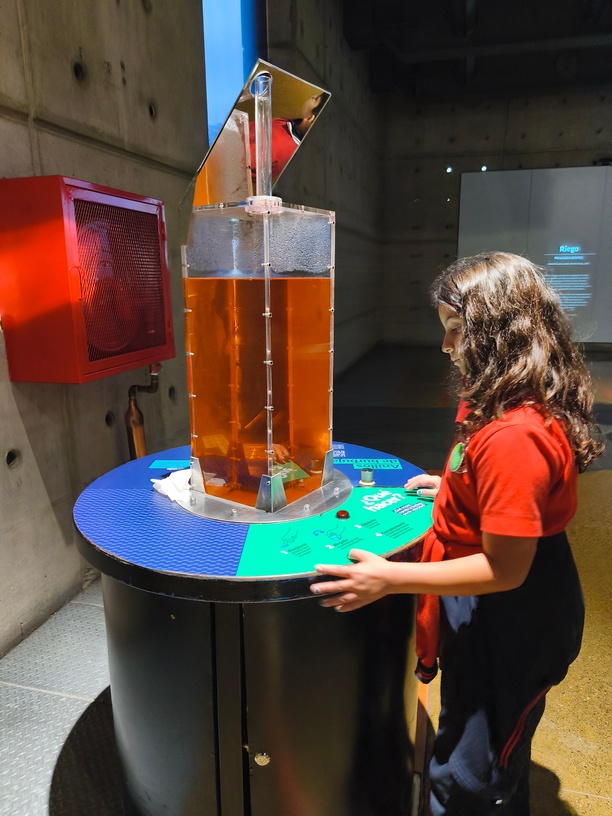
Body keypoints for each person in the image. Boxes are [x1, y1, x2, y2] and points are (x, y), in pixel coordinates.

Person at [310, 252, 604, 815]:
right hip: (497, 611)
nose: (445, 346)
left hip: (515, 621)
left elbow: (505, 569)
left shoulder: (515, 436)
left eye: (455, 329)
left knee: (474, 776)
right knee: (474, 738)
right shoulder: (503, 406)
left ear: (499, 332)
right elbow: (497, 486)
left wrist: (389, 578)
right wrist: (453, 488)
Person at [249, 93, 327, 182]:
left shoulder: (278, 145)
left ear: (310, 118)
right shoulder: (292, 125)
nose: (313, 96)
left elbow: (241, 159)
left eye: (316, 99)